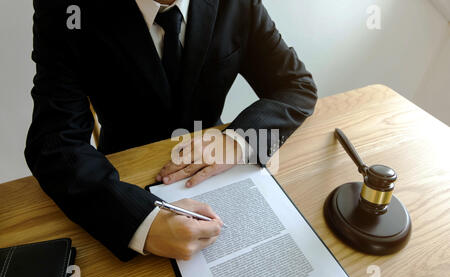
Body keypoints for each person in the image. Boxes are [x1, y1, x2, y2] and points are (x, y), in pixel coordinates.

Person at [25, 0, 318, 262]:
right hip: (122, 178)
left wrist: (237, 140)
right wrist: (141, 222)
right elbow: (53, 142)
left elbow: (295, 87)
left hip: (216, 168)